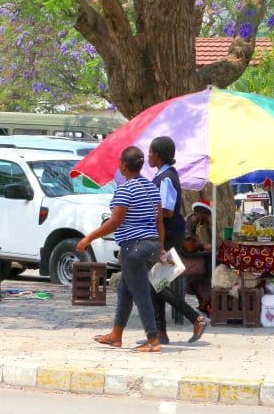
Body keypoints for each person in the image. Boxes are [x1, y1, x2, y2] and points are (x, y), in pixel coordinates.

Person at [77, 146, 165, 353]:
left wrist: (89, 237)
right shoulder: (152, 188)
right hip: (152, 244)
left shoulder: (125, 189)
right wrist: (160, 246)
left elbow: (115, 222)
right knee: (125, 290)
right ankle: (116, 335)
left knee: (141, 293)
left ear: (123, 166)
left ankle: (153, 340)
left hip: (133, 248)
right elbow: (159, 220)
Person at [147, 136, 207, 344]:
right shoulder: (162, 176)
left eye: (151, 153)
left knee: (156, 283)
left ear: (159, 155)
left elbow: (166, 210)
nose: (148, 156)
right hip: (165, 233)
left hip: (168, 234)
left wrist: (144, 212)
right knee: (157, 282)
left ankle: (195, 318)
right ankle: (160, 332)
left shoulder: (165, 178)